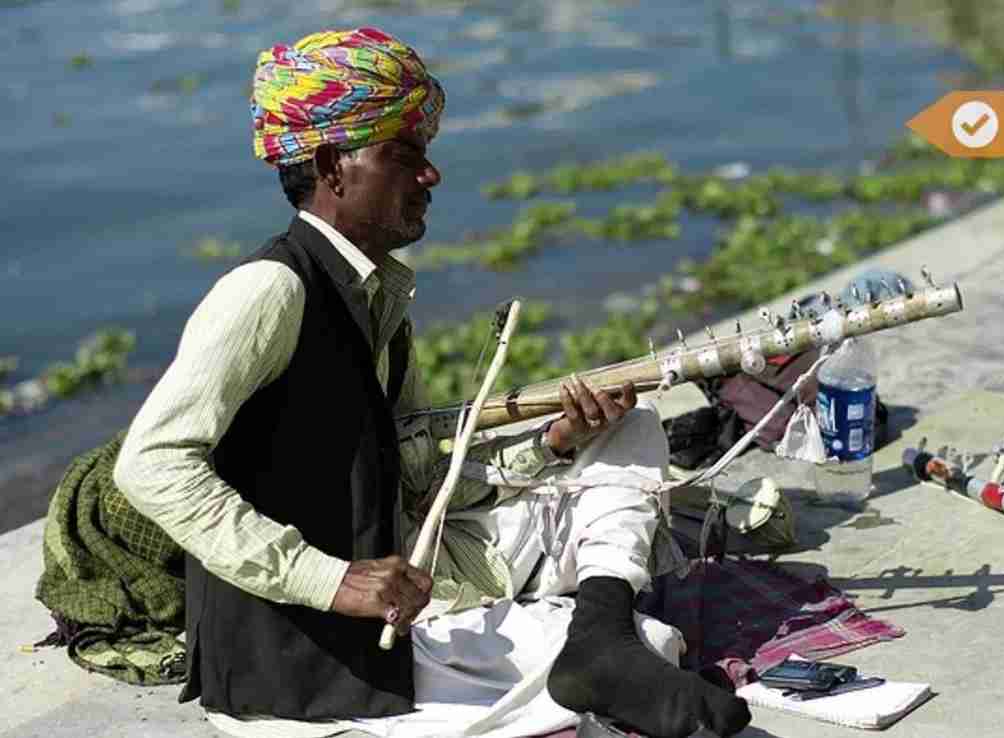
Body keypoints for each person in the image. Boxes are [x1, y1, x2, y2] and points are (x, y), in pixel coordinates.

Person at [112, 27, 750, 738]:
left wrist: (554, 443)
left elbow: (412, 471)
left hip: (409, 562)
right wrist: (334, 581)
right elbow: (151, 464)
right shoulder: (270, 290)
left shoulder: (375, 295)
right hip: (311, 656)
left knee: (630, 430)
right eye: (403, 156)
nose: (430, 175)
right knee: (661, 645)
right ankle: (600, 641)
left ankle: (601, 633)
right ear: (333, 166)